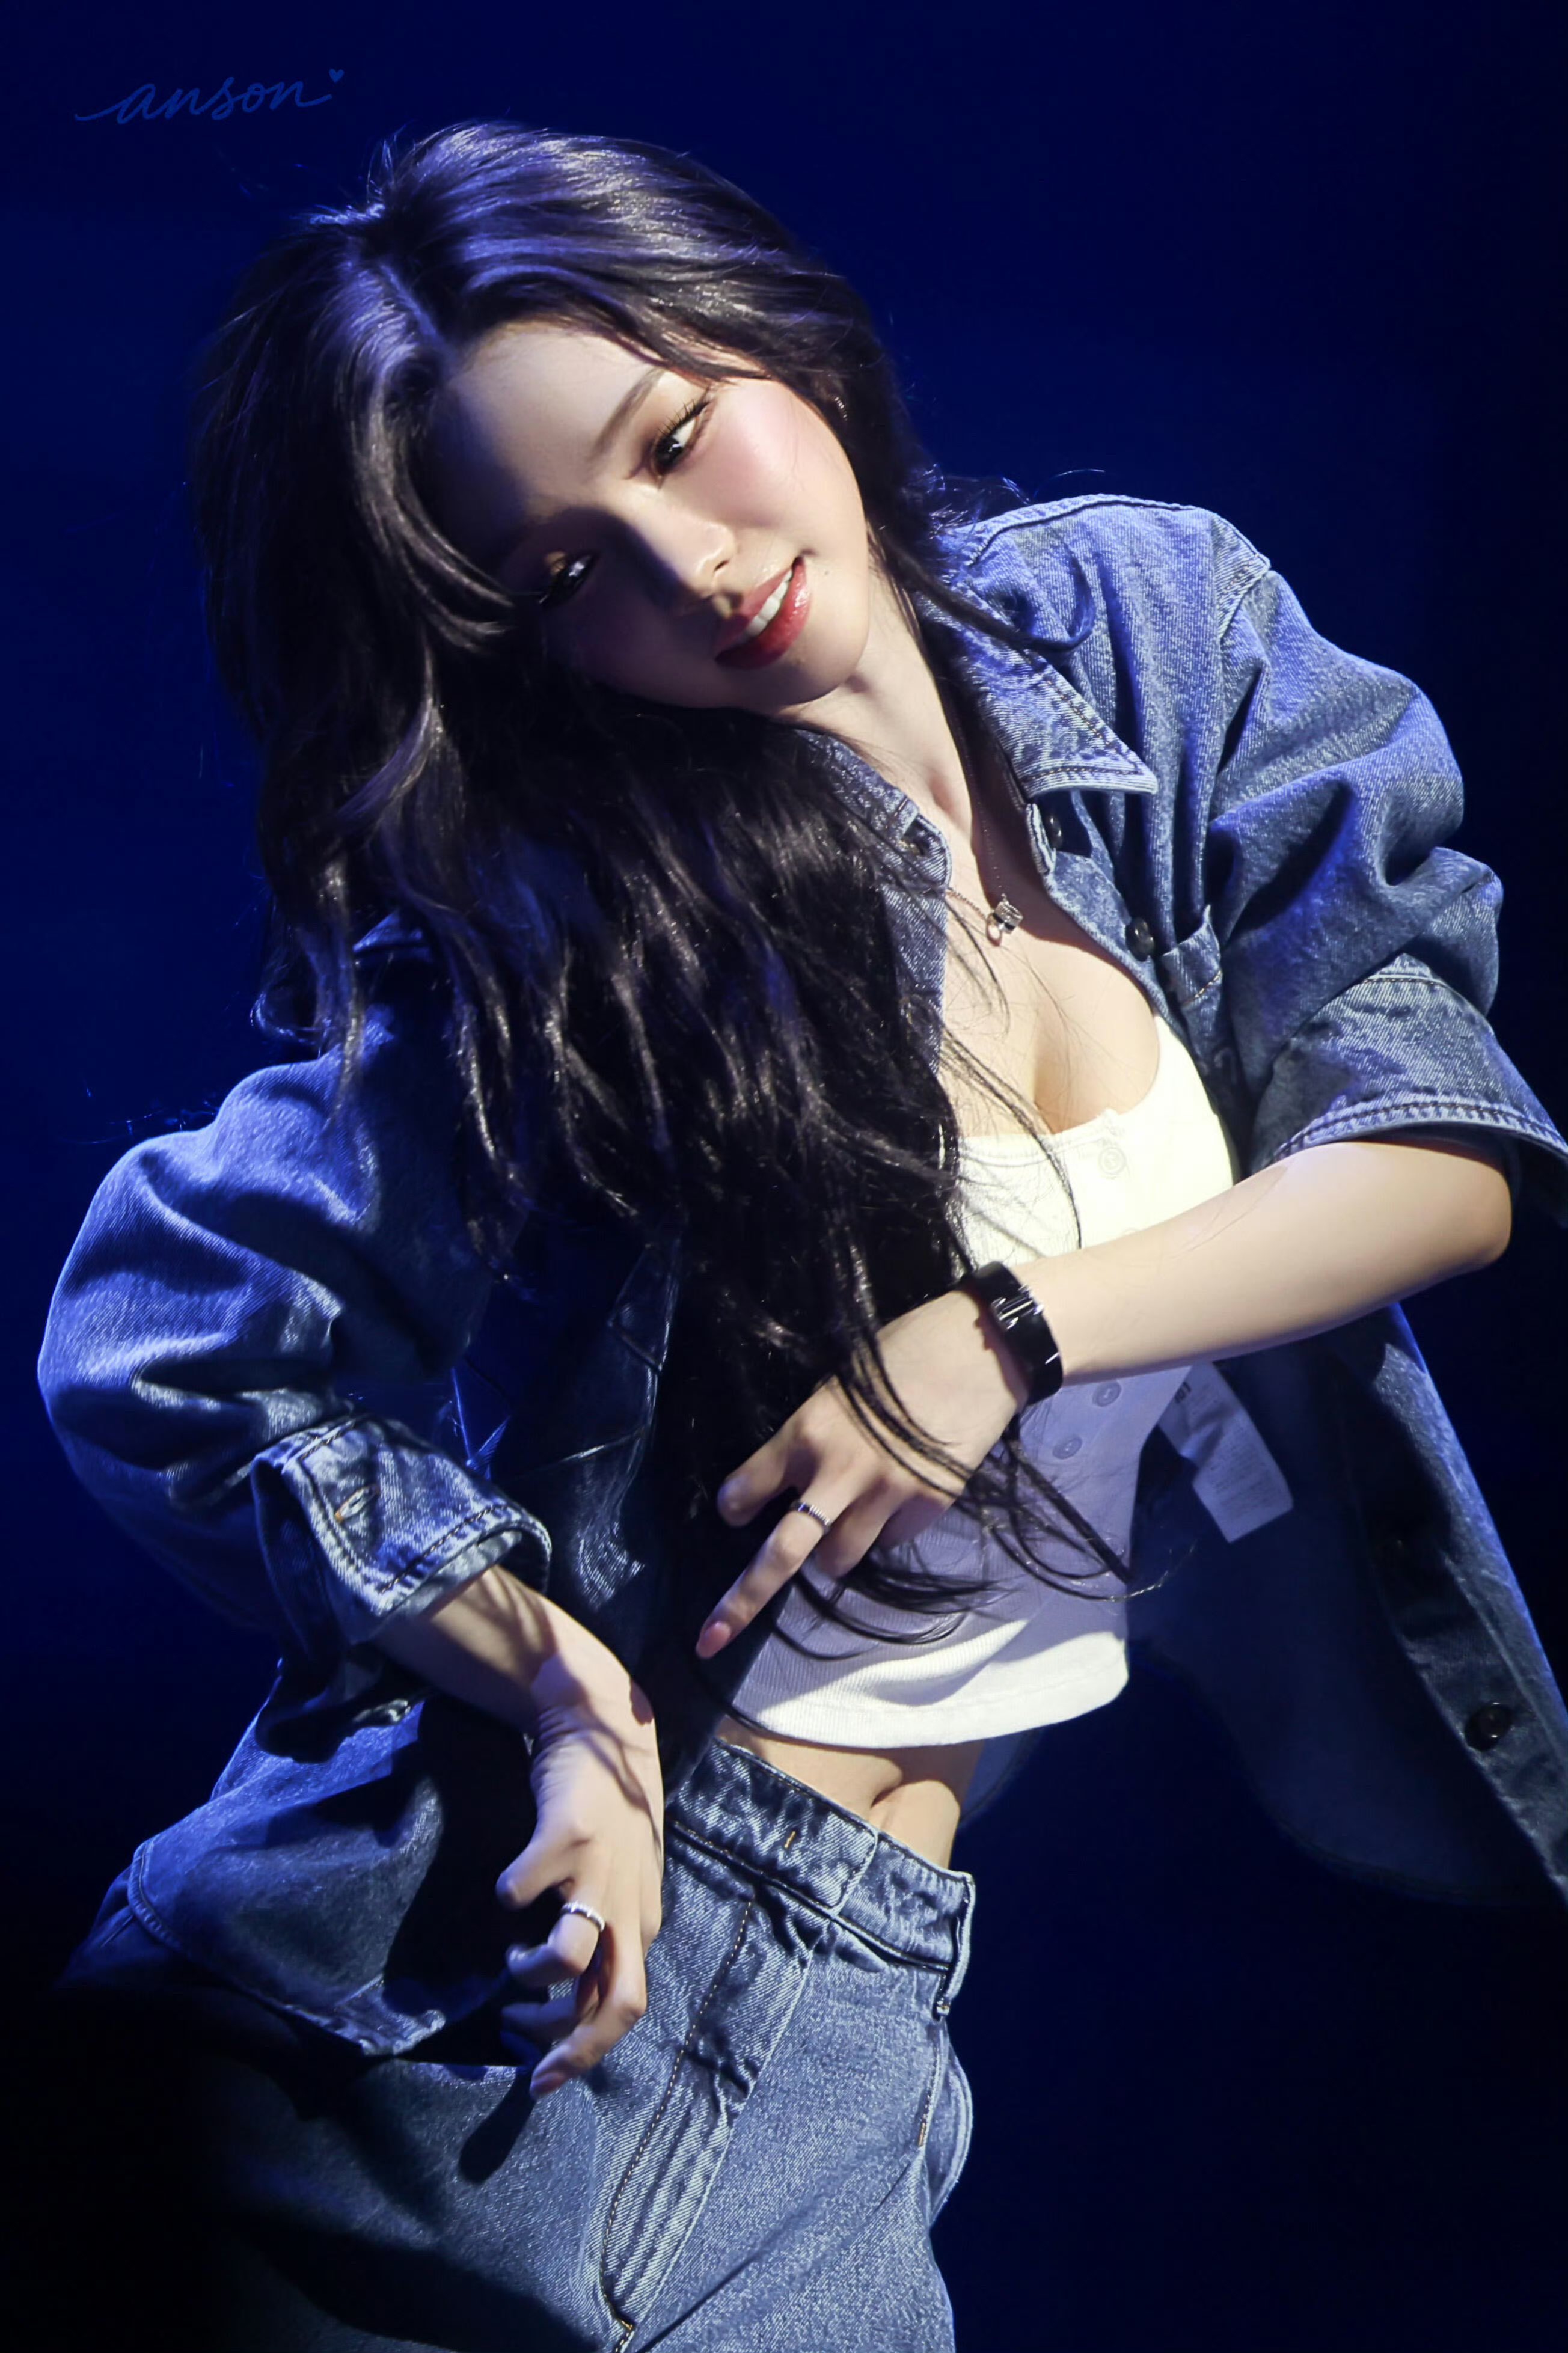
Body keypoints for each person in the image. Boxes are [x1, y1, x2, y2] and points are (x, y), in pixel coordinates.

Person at [31, 118, 1568, 2352]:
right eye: (568, 569)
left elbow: (1443, 1153)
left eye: (677, 436)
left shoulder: (1155, 628)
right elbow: (163, 1341)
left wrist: (1000, 1332)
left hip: (848, 2040)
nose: (693, 562)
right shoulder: (572, 922)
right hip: (418, 1998)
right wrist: (559, 1691)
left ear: (771, 333)